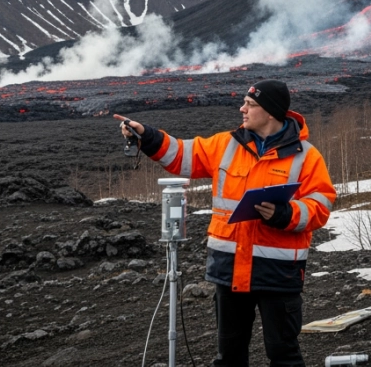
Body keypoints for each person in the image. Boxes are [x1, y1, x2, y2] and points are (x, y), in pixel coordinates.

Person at [116, 79, 335, 367]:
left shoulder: (307, 157)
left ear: (270, 112)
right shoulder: (226, 144)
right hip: (229, 270)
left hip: (279, 274)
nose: (242, 108)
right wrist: (147, 136)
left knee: (284, 355)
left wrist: (285, 214)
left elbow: (321, 206)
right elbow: (181, 154)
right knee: (229, 356)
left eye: (250, 104)